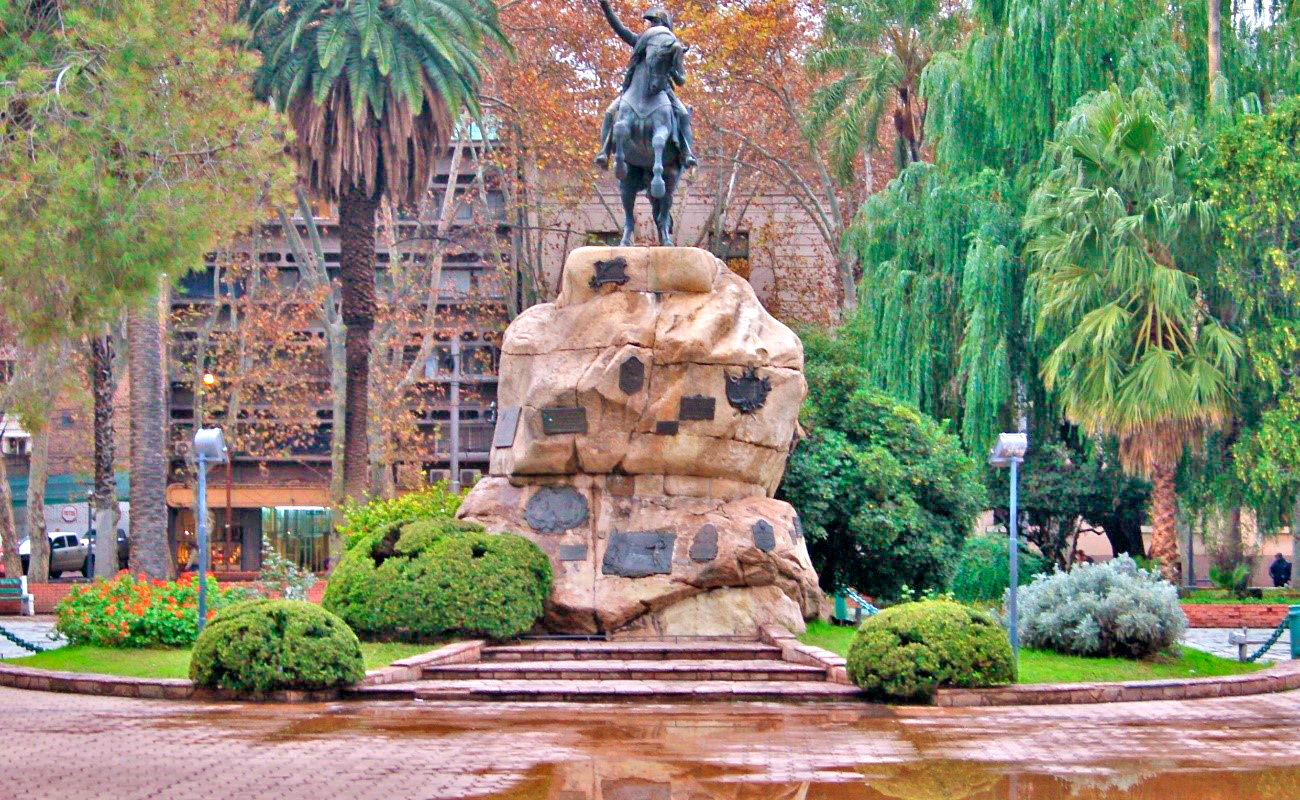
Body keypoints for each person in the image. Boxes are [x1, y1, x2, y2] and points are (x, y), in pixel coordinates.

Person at [594, 1, 698, 171]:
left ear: (665, 26)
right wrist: (605, 7)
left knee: (684, 114)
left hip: (663, 90)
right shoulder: (640, 42)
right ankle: (604, 152)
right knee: (609, 112)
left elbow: (681, 80)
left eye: (656, 22)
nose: (652, 26)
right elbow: (619, 28)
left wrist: (669, 70)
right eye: (651, 23)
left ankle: (687, 153)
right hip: (633, 92)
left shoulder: (674, 48)